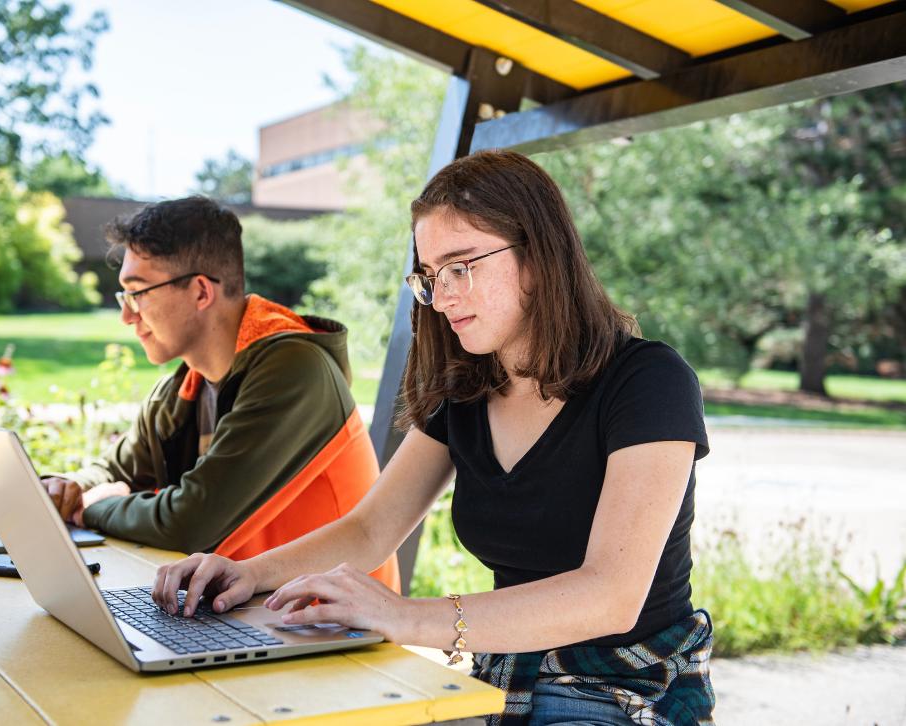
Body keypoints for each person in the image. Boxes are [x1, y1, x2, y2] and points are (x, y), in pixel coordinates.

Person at [150, 152, 714, 726]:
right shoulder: (467, 391)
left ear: (539, 259)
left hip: (629, 689)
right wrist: (246, 571)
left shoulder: (649, 381)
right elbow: (370, 529)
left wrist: (406, 617)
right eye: (430, 275)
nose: (441, 298)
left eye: (461, 267)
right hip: (502, 685)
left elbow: (611, 594)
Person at [42, 196, 399, 591]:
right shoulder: (182, 388)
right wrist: (70, 486)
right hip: (241, 613)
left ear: (200, 292)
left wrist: (93, 508)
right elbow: (116, 471)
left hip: (329, 625)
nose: (127, 315)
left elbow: (190, 523)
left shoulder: (294, 371)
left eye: (138, 292)